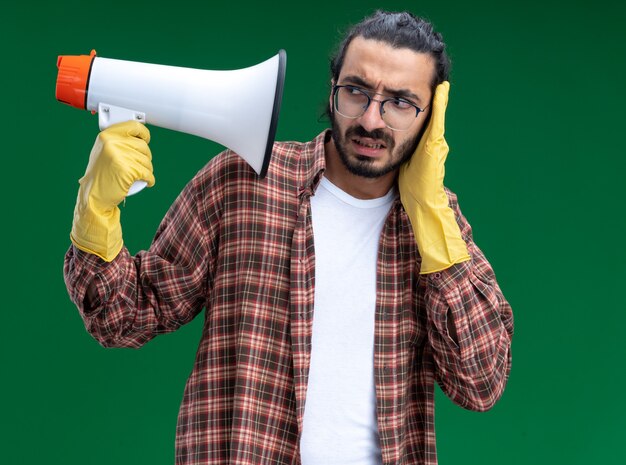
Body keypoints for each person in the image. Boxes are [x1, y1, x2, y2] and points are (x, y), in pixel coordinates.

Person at [64, 10, 513, 465]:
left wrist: (429, 211)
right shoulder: (242, 181)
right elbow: (123, 317)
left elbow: (481, 382)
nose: (372, 121)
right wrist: (96, 211)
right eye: (356, 91)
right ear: (333, 88)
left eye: (400, 102)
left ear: (431, 117)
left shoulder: (437, 221)